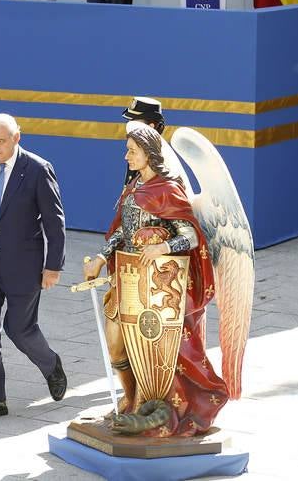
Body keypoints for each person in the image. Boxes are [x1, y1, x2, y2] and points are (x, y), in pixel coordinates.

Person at [82, 124, 228, 436]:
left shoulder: (168, 190)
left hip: (159, 287)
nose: (127, 156)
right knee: (117, 344)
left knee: (157, 352)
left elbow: (189, 235)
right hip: (128, 279)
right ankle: (131, 395)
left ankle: (152, 403)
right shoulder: (134, 188)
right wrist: (100, 255)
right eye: (127, 151)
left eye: (132, 151)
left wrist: (163, 246)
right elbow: (124, 230)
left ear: (149, 154)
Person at [0, 113, 67, 421]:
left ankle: (51, 364)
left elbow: (55, 222)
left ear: (16, 138)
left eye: (1, 142)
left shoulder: (36, 169)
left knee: (18, 328)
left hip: (23, 266)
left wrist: (52, 266)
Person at [121, 96, 165, 185]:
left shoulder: (163, 162)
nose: (130, 128)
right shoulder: (136, 156)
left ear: (150, 127)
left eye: (135, 124)